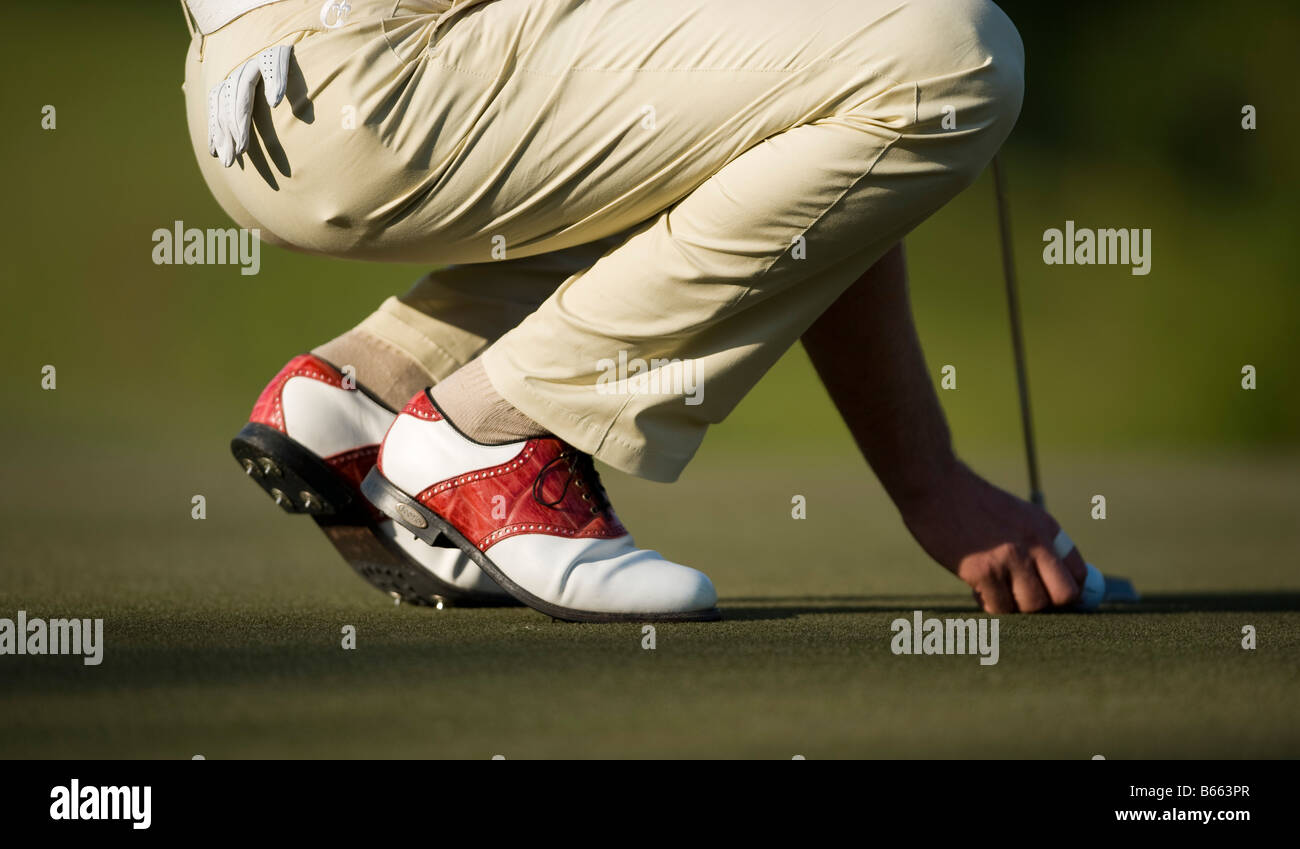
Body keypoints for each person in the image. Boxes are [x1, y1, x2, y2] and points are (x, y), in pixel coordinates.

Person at [185, 0, 1087, 621]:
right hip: (372, 72)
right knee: (954, 54)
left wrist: (932, 483)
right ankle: (497, 435)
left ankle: (378, 382)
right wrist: (929, 481)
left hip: (261, 89)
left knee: (803, 78)